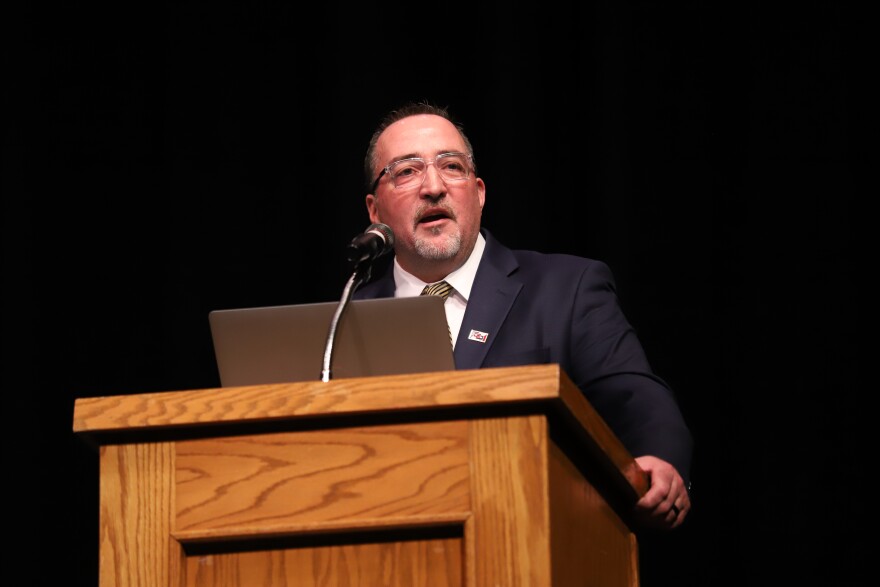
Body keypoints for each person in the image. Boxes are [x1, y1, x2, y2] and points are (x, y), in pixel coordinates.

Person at [352, 100, 693, 531]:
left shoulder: (566, 288)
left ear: (478, 193)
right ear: (374, 210)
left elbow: (638, 399)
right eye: (406, 171)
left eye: (451, 166)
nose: (433, 187)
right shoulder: (347, 321)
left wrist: (659, 460)